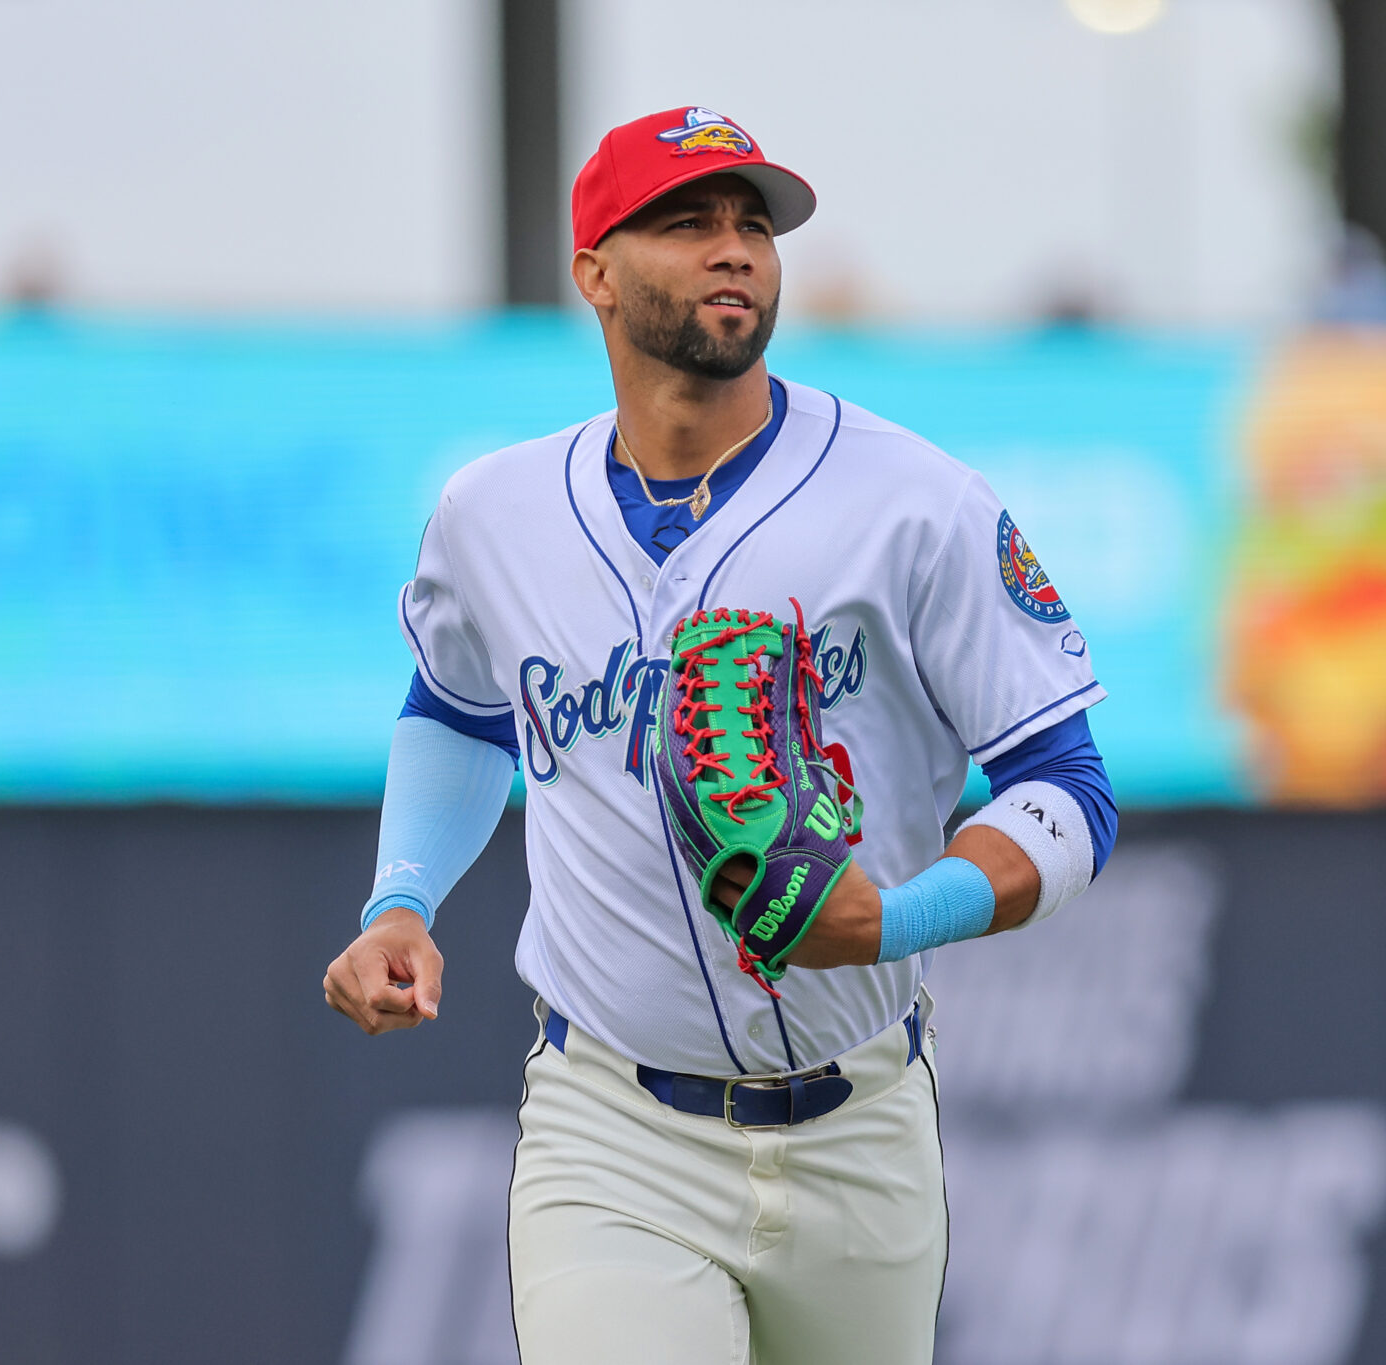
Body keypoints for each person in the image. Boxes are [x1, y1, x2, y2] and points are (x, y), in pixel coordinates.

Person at [323, 106, 1118, 1365]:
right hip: (614, 1126)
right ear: (594, 270)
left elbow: (1068, 790)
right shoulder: (495, 514)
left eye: (753, 224)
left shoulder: (915, 504)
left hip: (860, 1122)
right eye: (686, 223)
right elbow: (458, 710)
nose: (733, 248)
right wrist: (402, 898)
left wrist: (894, 918)